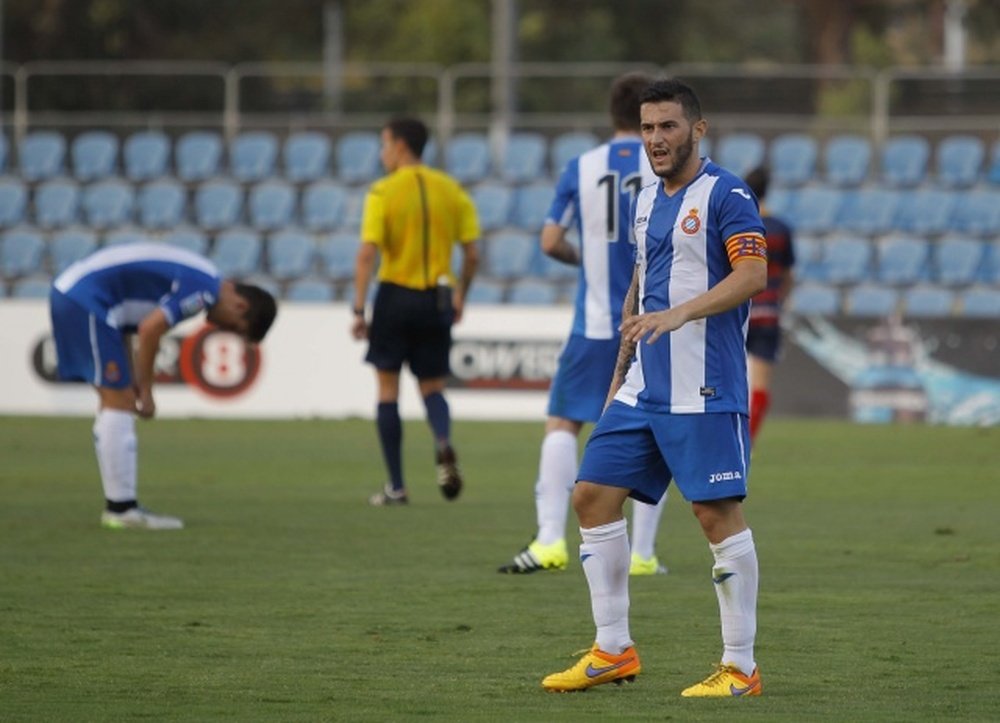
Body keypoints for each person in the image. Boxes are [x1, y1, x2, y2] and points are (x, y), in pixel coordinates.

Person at [540, 79, 768, 697]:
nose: (656, 139)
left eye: (668, 126)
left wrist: (681, 313)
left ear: (698, 128)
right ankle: (613, 649)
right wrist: (621, 363)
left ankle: (741, 668)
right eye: (646, 127)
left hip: (704, 384)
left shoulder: (728, 192)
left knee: (714, 514)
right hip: (642, 384)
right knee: (590, 496)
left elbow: (752, 273)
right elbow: (642, 283)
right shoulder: (642, 198)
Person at [497, 73, 670, 577]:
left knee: (563, 423)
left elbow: (550, 240)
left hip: (595, 320)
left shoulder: (583, 166)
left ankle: (550, 541)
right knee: (657, 430)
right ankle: (642, 554)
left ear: (609, 113)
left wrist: (585, 259)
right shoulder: (667, 162)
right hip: (655, 319)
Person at [49, 242, 277, 530]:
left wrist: (132, 380)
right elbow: (151, 328)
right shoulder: (204, 291)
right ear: (240, 305)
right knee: (117, 403)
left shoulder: (204, 274)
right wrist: (146, 390)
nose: (222, 330)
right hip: (85, 299)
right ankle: (121, 509)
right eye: (233, 328)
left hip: (79, 294)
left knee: (117, 399)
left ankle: (122, 506)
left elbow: (127, 325)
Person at [351, 116, 480, 506]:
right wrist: (460, 295)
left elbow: (366, 253)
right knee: (433, 388)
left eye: (385, 144)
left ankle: (397, 486)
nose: (382, 153)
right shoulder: (452, 190)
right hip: (437, 297)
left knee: (388, 389)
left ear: (401, 146)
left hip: (394, 295)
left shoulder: (382, 192)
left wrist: (359, 309)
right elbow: (472, 253)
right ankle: (442, 440)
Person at [743, 166, 795, 444]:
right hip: (768, 313)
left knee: (726, 381)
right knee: (760, 386)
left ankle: (725, 440)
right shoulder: (781, 228)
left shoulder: (739, 224)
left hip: (737, 311)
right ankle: (746, 444)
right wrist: (779, 302)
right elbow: (788, 276)